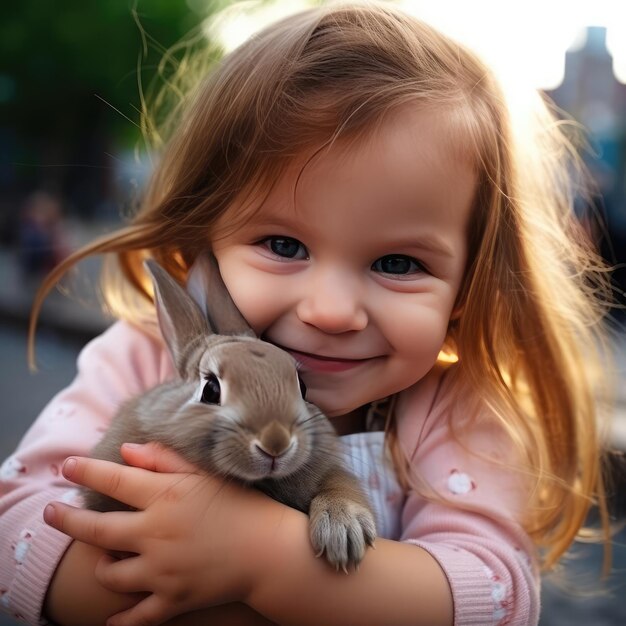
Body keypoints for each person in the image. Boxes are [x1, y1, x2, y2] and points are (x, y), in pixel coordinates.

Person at [0, 2, 614, 625]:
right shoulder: (142, 358)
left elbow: (497, 597)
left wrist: (263, 562)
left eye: (398, 263)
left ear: (466, 288)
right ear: (203, 245)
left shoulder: (456, 409)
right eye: (284, 246)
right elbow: (16, 532)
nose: (332, 311)